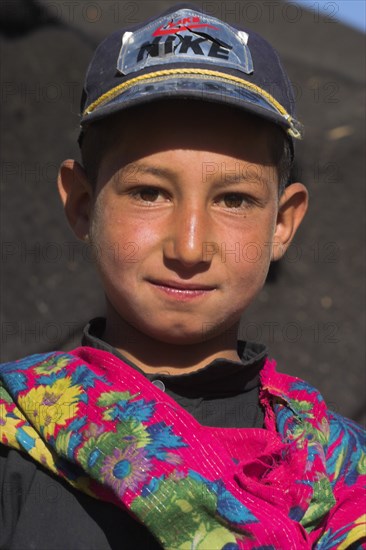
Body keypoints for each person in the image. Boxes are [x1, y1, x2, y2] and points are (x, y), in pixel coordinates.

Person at [0, 3, 365, 549]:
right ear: (81, 204)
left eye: (235, 199)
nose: (189, 247)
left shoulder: (340, 474)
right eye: (149, 192)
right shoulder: (16, 442)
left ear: (283, 224)